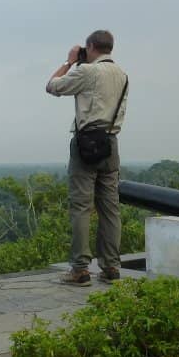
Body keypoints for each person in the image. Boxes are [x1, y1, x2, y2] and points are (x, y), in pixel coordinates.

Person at [46, 30, 128, 285]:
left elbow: (52, 86)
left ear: (91, 46)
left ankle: (80, 268)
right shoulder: (122, 75)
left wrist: (70, 62)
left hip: (85, 143)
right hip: (110, 142)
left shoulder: (87, 71)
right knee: (110, 208)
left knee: (81, 207)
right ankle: (111, 266)